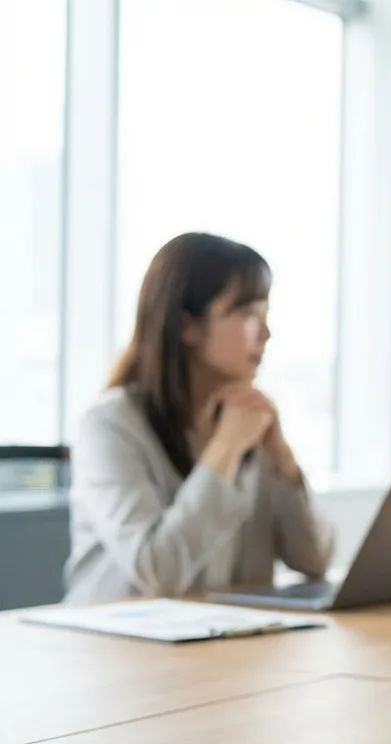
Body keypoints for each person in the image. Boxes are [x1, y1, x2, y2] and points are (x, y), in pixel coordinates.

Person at [64, 232, 334, 604]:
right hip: (115, 649)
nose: (267, 333)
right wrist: (224, 450)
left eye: (266, 314)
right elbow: (158, 573)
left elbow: (316, 559)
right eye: (248, 314)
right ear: (187, 326)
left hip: (222, 644)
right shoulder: (110, 425)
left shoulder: (247, 420)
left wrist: (285, 464)